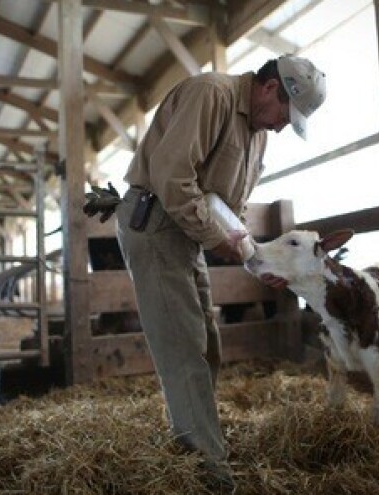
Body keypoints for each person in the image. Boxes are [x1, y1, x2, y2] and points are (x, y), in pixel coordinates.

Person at [114, 55, 327, 491]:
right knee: (184, 344)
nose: (283, 127)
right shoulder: (211, 94)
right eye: (286, 115)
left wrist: (255, 262)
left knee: (207, 340)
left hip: (188, 231)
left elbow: (231, 209)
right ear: (269, 88)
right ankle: (209, 471)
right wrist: (216, 239)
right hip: (155, 222)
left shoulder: (258, 133)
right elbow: (173, 177)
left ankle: (193, 437)